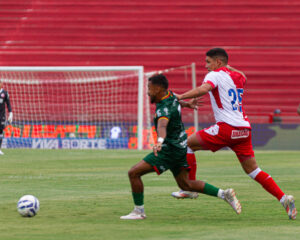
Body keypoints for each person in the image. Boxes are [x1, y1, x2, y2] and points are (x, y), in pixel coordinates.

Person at [172, 48, 297, 220]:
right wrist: (229, 67)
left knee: (187, 144)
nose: (206, 65)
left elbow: (204, 89)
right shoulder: (237, 77)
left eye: (208, 61)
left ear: (218, 62)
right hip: (244, 129)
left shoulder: (214, 75)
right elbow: (243, 75)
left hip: (226, 128)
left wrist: (180, 96)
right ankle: (284, 198)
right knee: (253, 170)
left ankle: (190, 188)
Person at [120, 74, 241, 220]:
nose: (147, 92)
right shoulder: (170, 95)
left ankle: (138, 211)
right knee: (187, 184)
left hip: (169, 150)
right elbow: (176, 101)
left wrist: (159, 141)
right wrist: (187, 104)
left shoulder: (163, 109)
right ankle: (224, 193)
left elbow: (162, 126)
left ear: (158, 89)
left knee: (134, 173)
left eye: (149, 88)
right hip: (180, 148)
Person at [0, 81, 13, 155]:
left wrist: (11, 113)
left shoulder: (4, 93)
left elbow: (8, 104)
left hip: (1, 117)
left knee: (0, 133)